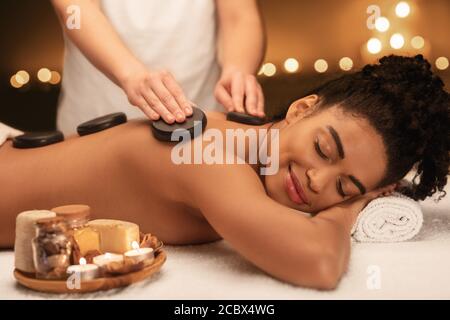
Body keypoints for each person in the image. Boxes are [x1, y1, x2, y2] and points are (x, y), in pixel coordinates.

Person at [1, 55, 448, 289]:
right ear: (301, 109)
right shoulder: (210, 155)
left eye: (343, 185)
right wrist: (350, 206)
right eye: (323, 148)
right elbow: (320, 262)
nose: (317, 181)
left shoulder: (244, 140)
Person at [51, 0, 266, 134]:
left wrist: (238, 68)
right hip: (93, 123)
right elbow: (74, 11)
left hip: (201, 125)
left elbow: (240, 16)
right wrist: (131, 74)